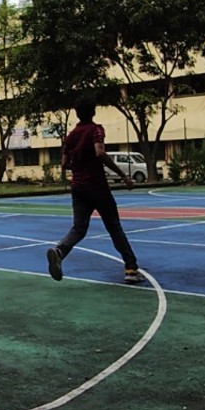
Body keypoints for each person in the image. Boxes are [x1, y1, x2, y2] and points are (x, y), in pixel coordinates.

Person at [45, 94, 141, 284]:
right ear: (93, 111)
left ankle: (60, 251)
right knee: (114, 227)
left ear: (77, 113)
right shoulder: (96, 129)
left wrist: (79, 165)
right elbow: (100, 152)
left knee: (79, 228)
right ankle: (131, 268)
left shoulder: (70, 136)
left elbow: (64, 164)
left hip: (78, 188)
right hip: (97, 187)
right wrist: (122, 176)